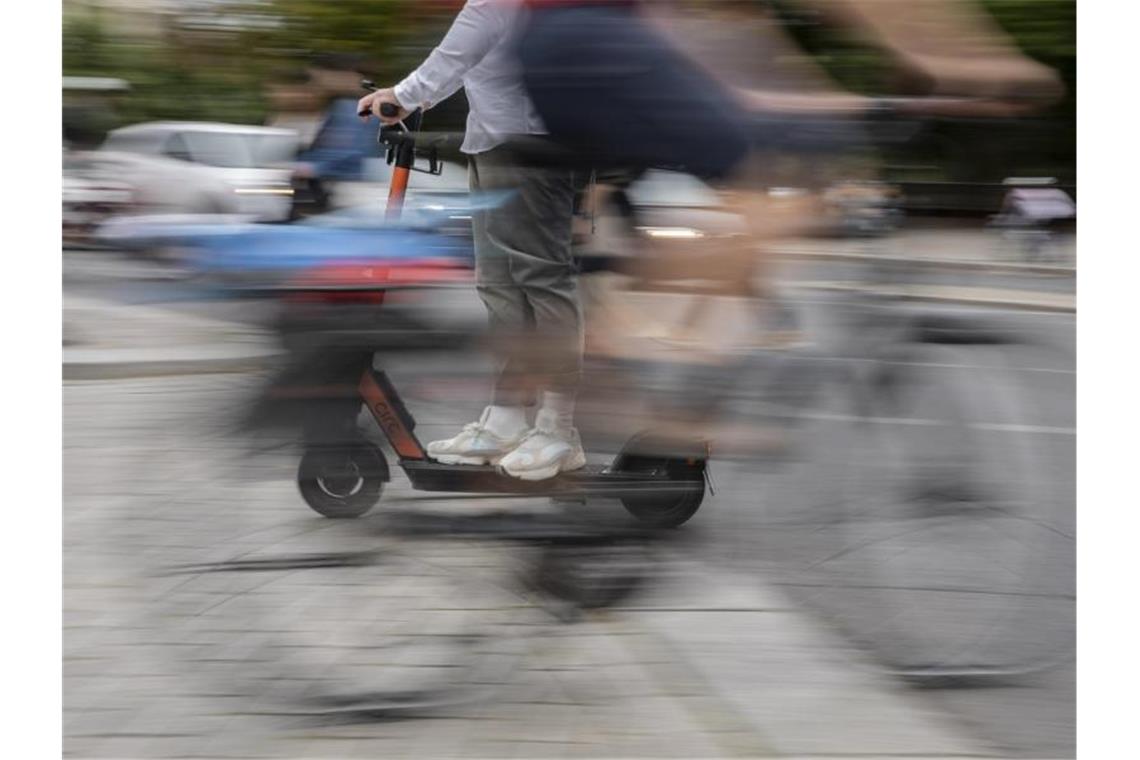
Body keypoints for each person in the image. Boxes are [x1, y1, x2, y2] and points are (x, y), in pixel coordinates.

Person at [357, 0, 586, 481]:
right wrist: (410, 97)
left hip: (530, 147)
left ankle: (559, 428)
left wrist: (401, 94)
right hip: (493, 142)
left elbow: (454, 54)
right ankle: (507, 416)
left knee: (542, 283)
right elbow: (470, 60)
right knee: (500, 284)